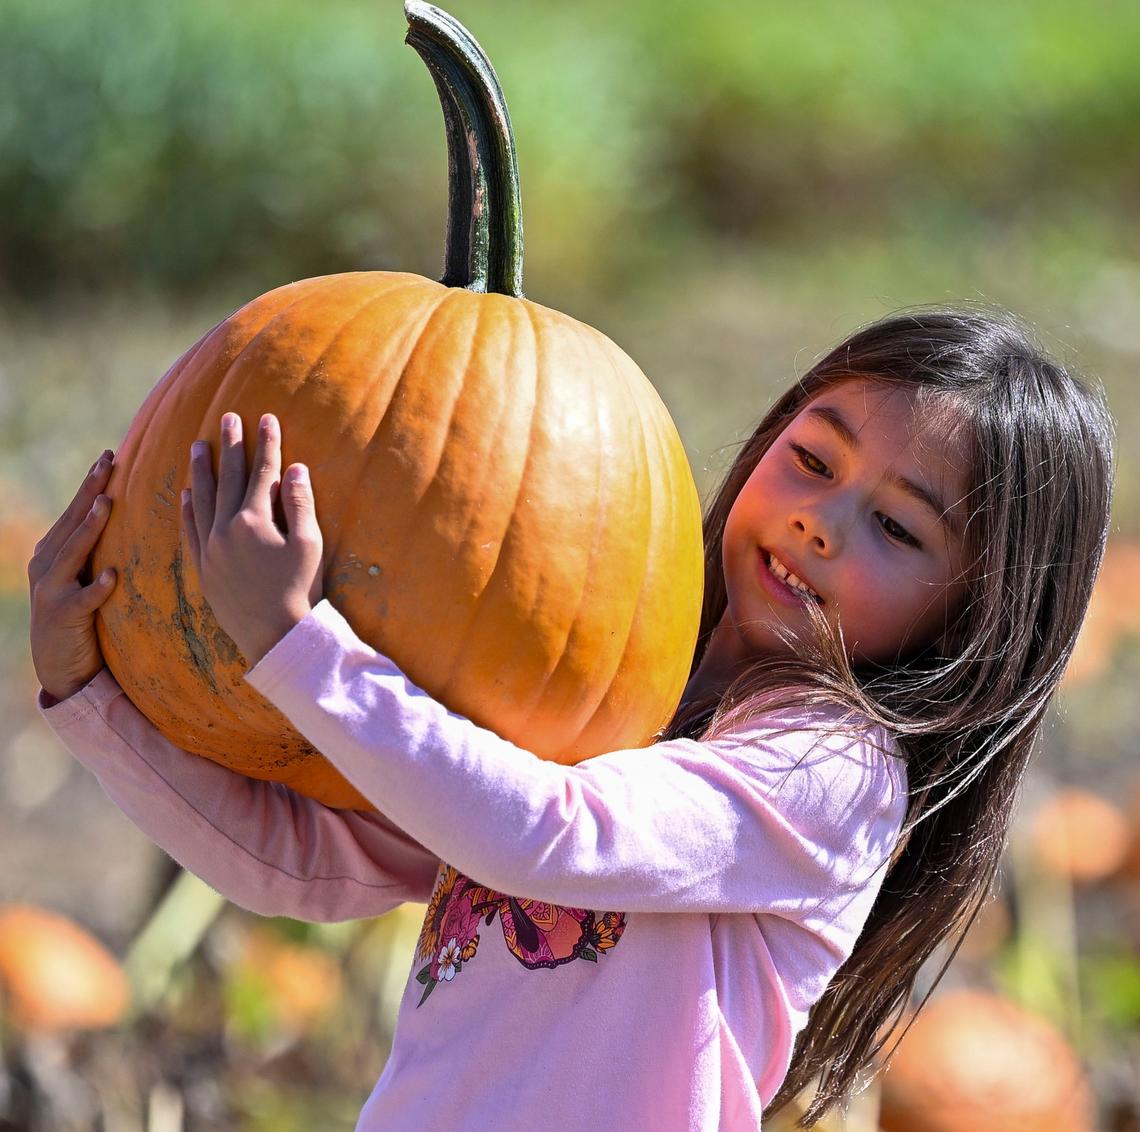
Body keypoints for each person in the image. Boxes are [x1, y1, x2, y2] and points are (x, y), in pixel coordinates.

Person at [29, 308, 1114, 1130]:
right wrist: (89, 697)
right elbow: (302, 860)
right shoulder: (621, 688)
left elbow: (555, 834)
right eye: (814, 458)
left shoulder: (831, 773)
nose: (819, 522)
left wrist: (302, 648)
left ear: (974, 614)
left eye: (895, 526)